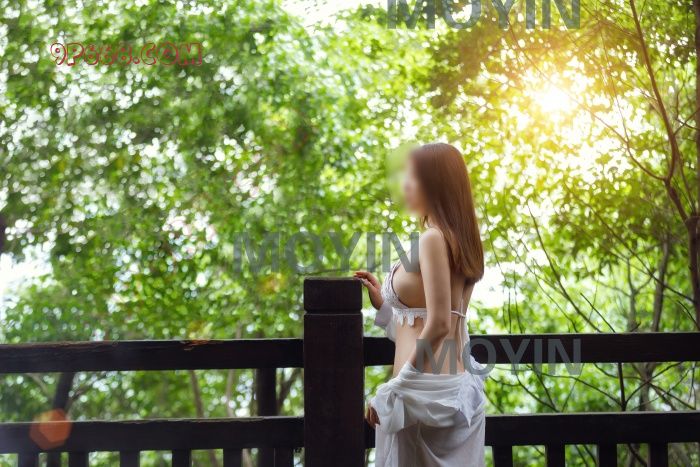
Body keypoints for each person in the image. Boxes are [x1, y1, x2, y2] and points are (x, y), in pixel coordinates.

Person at [355, 143, 487, 467]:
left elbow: (440, 324)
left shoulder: (432, 238)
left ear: (435, 184)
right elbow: (435, 318)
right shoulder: (460, 239)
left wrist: (397, 388)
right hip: (456, 388)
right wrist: (385, 306)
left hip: (421, 396)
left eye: (413, 177)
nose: (406, 185)